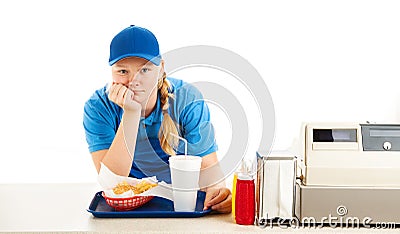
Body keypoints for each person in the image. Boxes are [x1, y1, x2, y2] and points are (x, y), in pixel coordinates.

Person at [83, 25, 231, 213]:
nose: (133, 81)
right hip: (128, 204)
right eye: (122, 71)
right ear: (111, 72)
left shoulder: (187, 99)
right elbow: (111, 182)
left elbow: (208, 167)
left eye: (145, 70)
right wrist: (131, 113)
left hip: (178, 200)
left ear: (161, 69)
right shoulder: (98, 107)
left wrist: (217, 192)